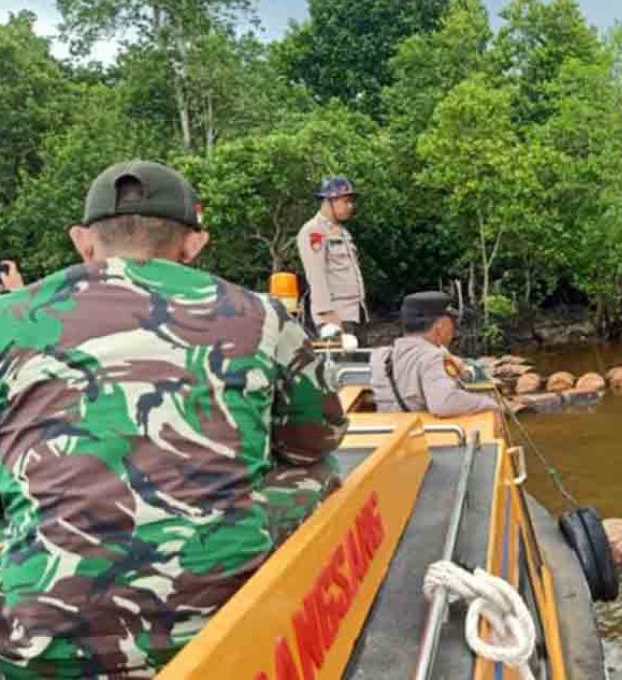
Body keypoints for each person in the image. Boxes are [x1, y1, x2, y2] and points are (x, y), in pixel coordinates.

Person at [0, 160, 349, 678]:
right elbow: (316, 439)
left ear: (82, 241)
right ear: (193, 245)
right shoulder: (261, 314)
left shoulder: (12, 317)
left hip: (32, 647)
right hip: (211, 627)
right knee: (319, 473)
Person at [370, 291, 507, 417]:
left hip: (388, 429)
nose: (454, 330)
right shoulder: (432, 357)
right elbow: (443, 403)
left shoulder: (380, 356)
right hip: (420, 435)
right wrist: (489, 403)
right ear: (440, 327)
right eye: (452, 323)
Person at [295, 175, 367, 337]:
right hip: (335, 315)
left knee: (360, 361)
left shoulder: (342, 231)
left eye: (351, 202)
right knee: (342, 362)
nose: (350, 206)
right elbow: (316, 275)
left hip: (353, 313)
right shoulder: (314, 231)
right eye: (345, 201)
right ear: (329, 201)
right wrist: (327, 315)